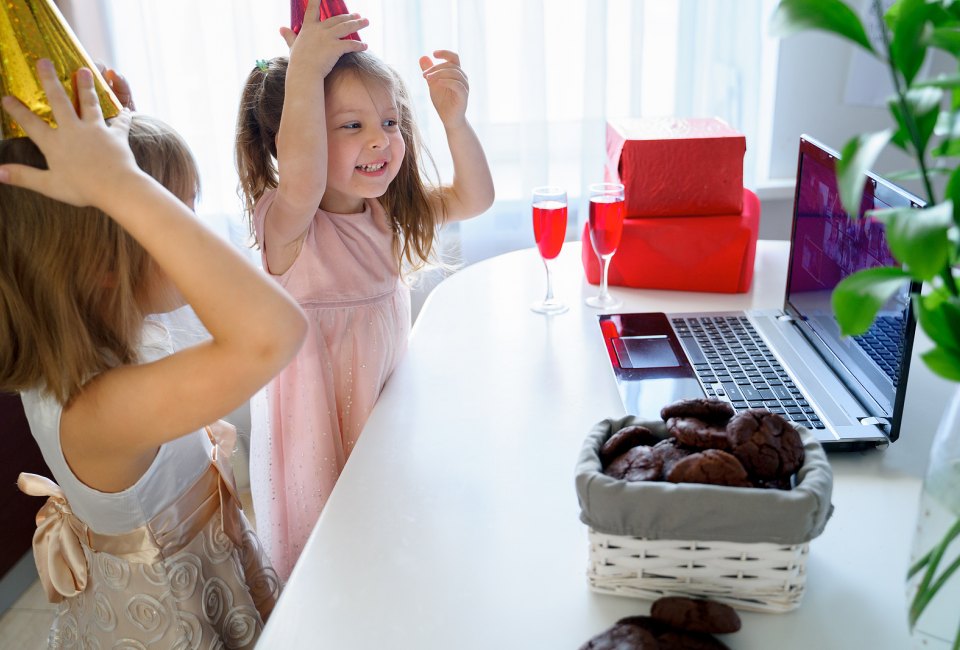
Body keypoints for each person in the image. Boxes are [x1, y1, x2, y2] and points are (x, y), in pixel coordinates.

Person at [0, 60, 307, 648]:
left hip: (205, 562)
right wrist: (124, 185)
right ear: (105, 265)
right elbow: (273, 333)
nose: (188, 227)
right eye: (176, 211)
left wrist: (124, 146)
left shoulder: (115, 328)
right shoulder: (101, 409)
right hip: (171, 612)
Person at [235, 3, 494, 579]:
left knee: (388, 547)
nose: (380, 140)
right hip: (318, 438)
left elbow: (474, 199)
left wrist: (454, 121)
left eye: (391, 121)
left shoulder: (385, 214)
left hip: (380, 419)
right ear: (292, 138)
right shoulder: (286, 223)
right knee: (333, 563)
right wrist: (303, 70)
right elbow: (303, 176)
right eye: (351, 125)